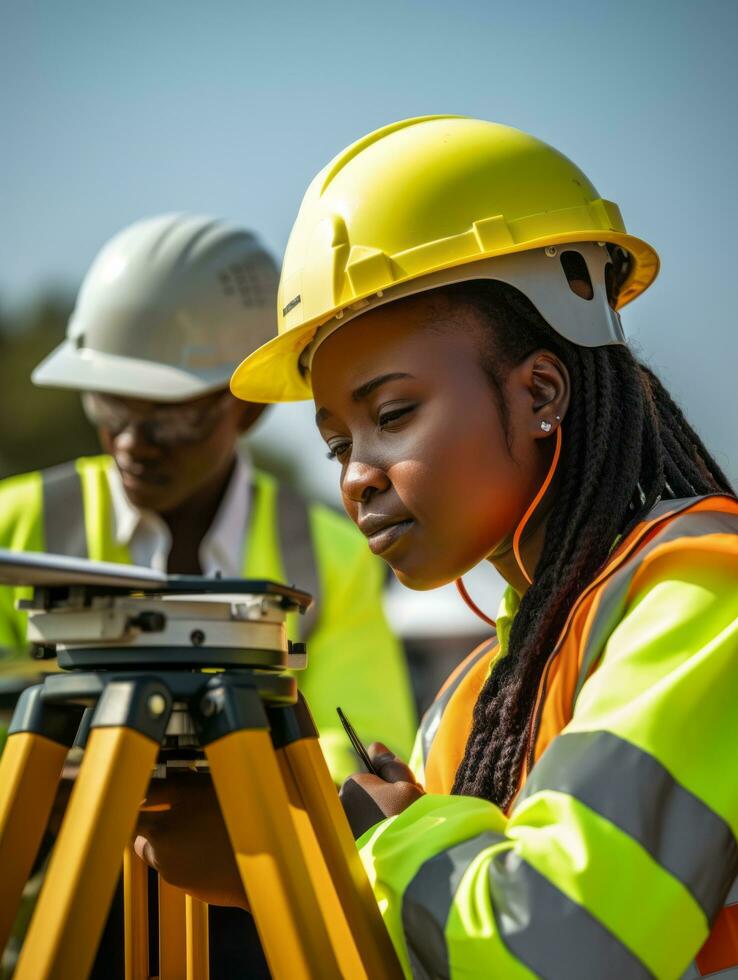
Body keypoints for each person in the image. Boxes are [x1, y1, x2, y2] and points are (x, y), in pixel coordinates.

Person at [139, 118, 738, 978]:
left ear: (540, 391)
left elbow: (563, 949)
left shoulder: (705, 597)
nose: (356, 478)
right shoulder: (470, 704)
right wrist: (284, 860)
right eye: (338, 443)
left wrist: (373, 835)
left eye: (390, 417)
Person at [0, 212, 416, 978]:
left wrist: (242, 799)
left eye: (168, 413)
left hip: (256, 897)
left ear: (246, 406)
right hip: (61, 895)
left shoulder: (330, 553)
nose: (130, 438)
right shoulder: (17, 524)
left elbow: (356, 741)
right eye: (110, 404)